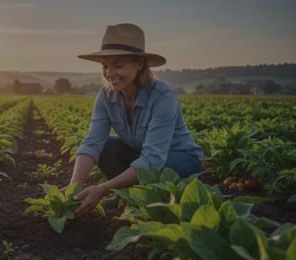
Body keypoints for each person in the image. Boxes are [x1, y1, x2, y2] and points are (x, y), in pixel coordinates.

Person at [68, 23, 203, 216]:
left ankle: (147, 200)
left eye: (118, 65)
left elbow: (153, 159)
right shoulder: (106, 96)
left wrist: (103, 188)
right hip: (143, 154)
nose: (109, 73)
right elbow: (92, 142)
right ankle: (125, 194)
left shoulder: (163, 96)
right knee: (104, 146)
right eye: (105, 66)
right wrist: (74, 186)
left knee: (155, 171)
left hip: (180, 157)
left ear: (139, 64)